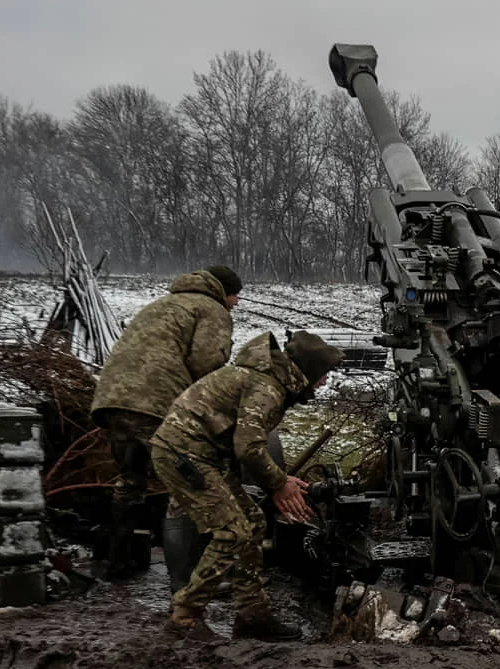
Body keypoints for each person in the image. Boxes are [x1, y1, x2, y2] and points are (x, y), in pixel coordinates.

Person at [151, 331, 344, 642]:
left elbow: (246, 445)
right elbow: (249, 448)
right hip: (184, 454)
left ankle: (252, 614)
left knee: (253, 522)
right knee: (232, 531)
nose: (323, 383)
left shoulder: (269, 380)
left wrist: (280, 482)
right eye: (322, 375)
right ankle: (185, 616)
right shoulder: (267, 386)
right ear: (307, 371)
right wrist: (279, 484)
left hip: (203, 454)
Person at [90, 265, 242, 579]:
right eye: (235, 295)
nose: (237, 302)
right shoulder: (211, 309)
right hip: (156, 403)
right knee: (188, 484)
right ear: (222, 292)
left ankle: (118, 564)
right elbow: (206, 363)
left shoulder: (160, 305)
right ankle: (187, 582)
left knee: (130, 482)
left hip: (112, 400)